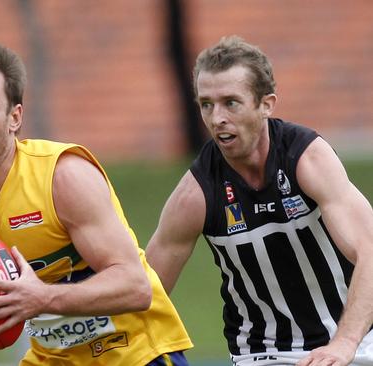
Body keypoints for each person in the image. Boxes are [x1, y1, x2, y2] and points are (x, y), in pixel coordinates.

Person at [0, 42, 193, 365]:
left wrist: (43, 297)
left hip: (134, 354)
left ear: (15, 117)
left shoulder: (62, 178)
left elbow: (136, 286)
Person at [145, 35, 373, 366]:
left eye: (231, 103)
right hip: (264, 353)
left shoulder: (306, 159)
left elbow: (369, 250)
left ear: (266, 104)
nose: (216, 117)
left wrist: (345, 343)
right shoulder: (196, 193)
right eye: (206, 104)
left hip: (357, 342)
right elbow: (147, 293)